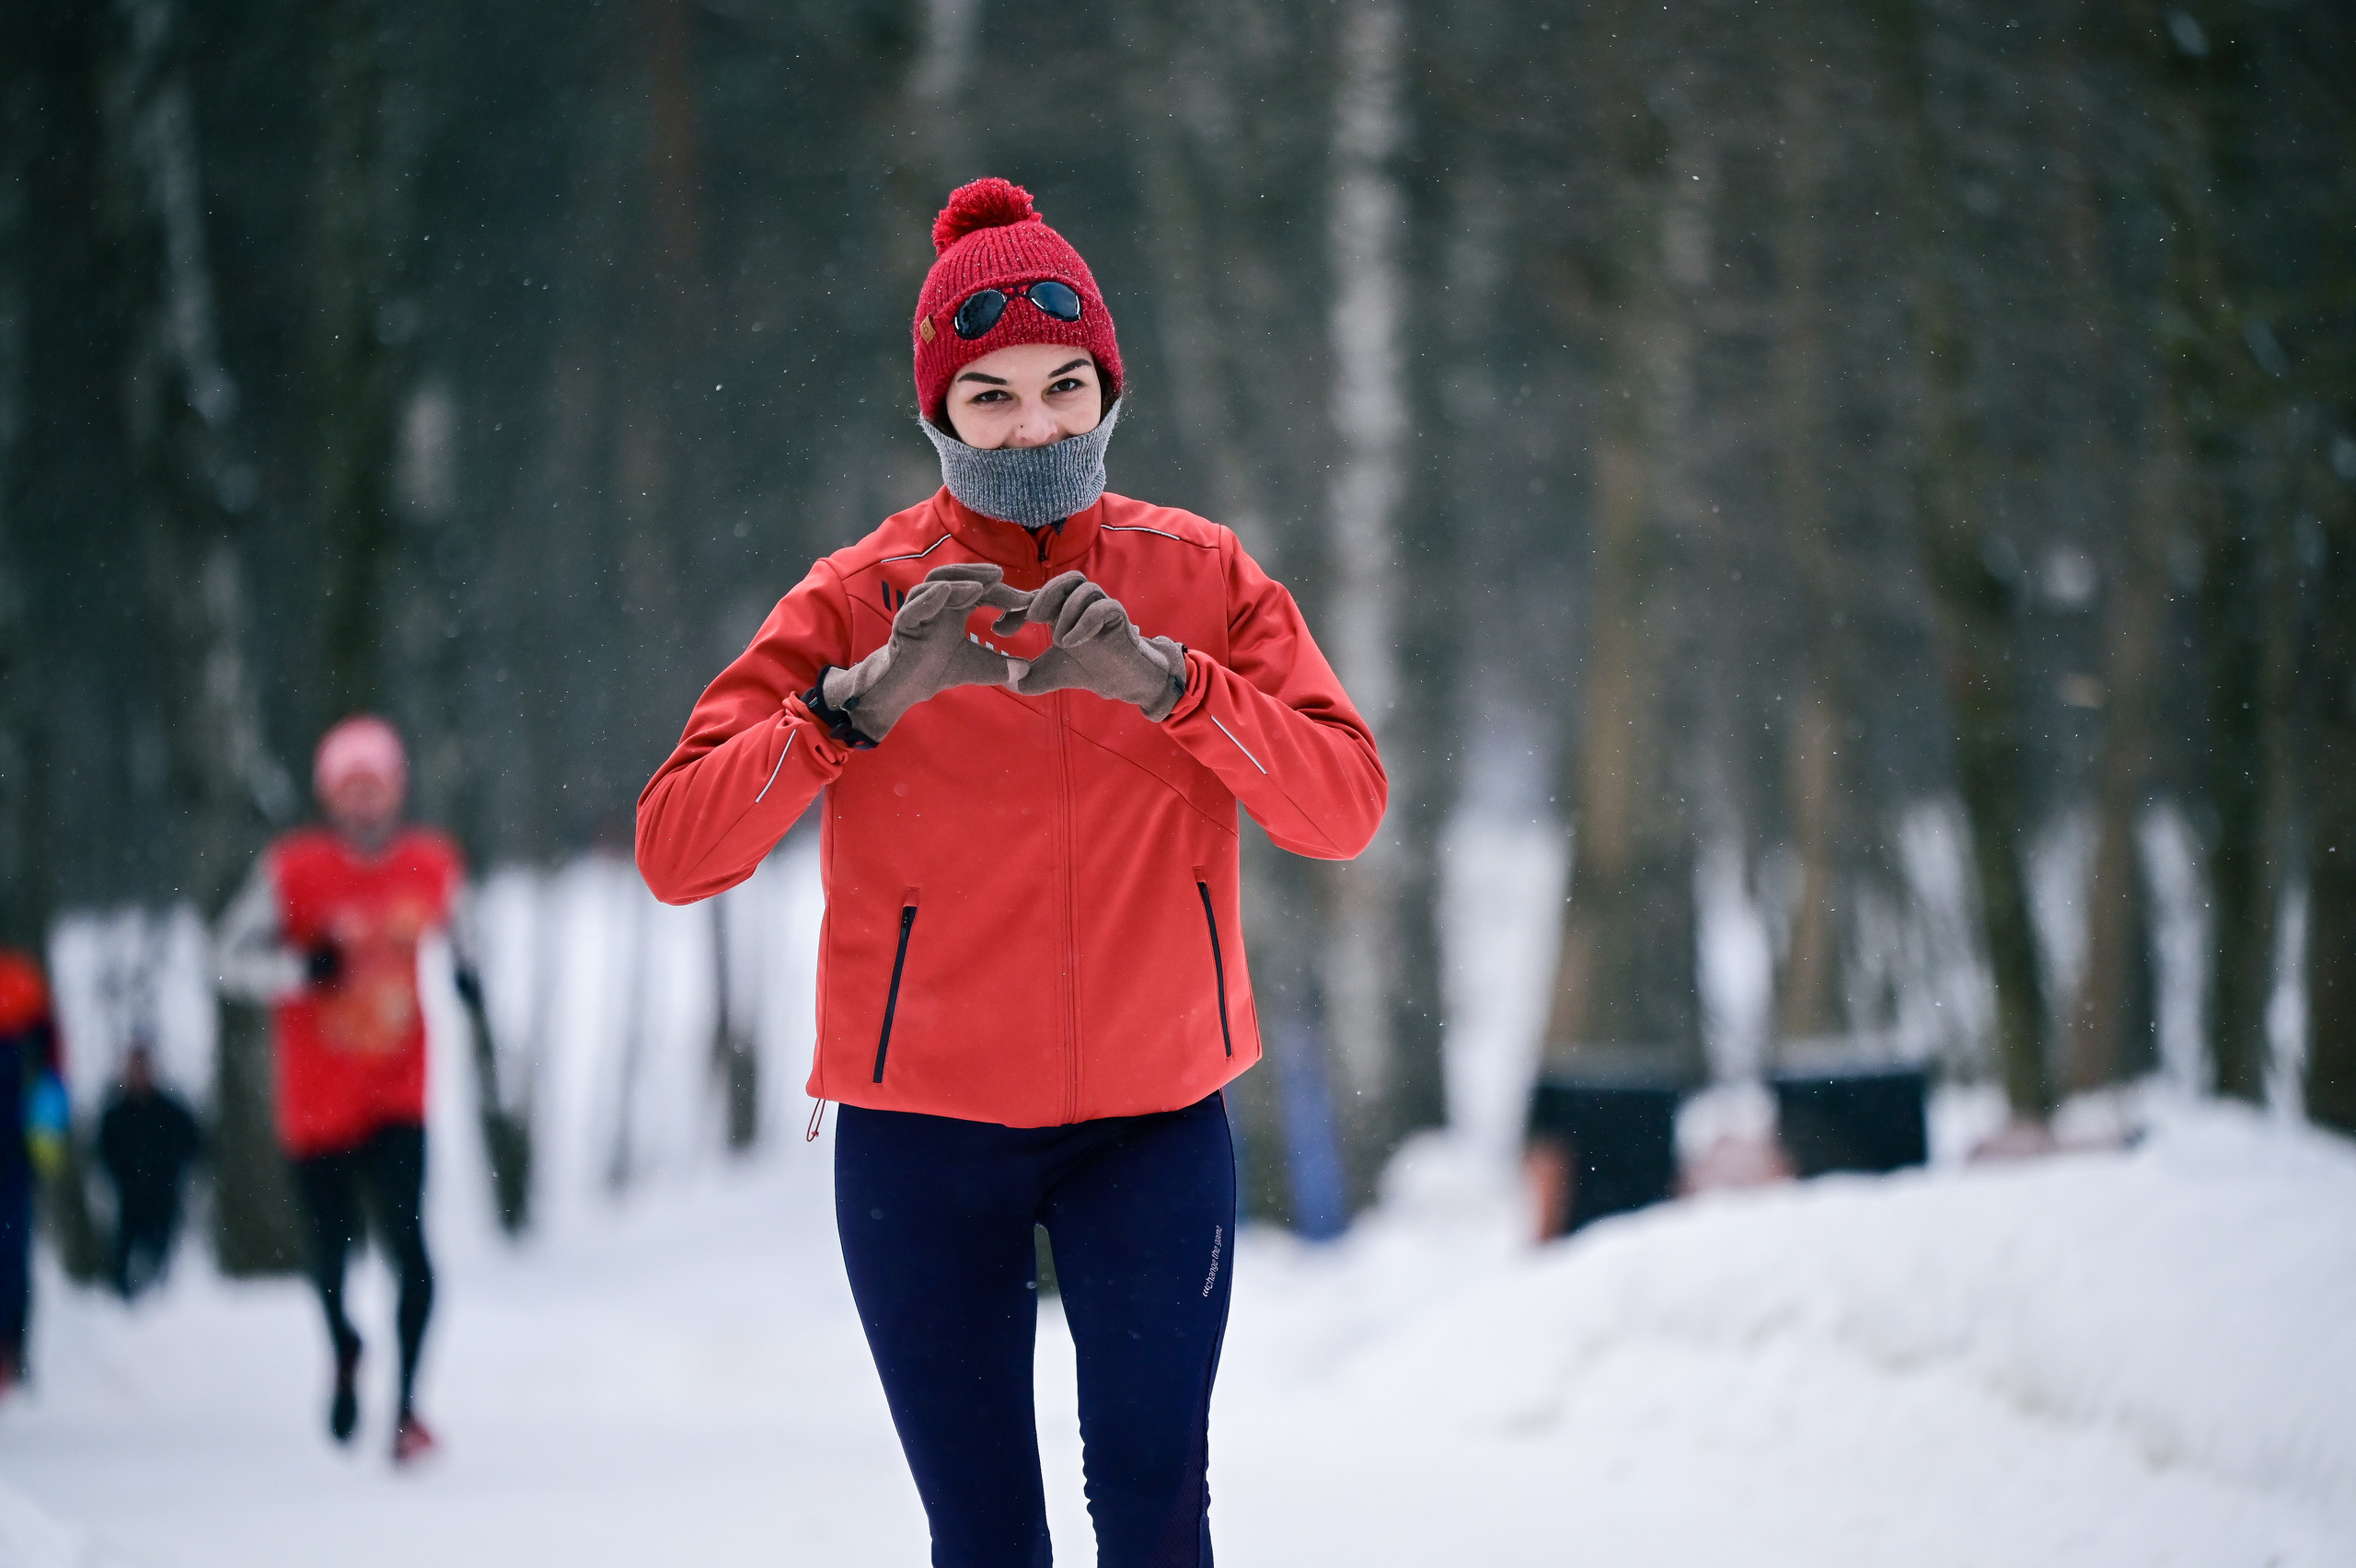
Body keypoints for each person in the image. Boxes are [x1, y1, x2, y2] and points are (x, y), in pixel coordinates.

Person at [638, 178, 1385, 1566]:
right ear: (937, 412)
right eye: (990, 397)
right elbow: (678, 849)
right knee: (987, 1538)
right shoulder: (856, 598)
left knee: (1156, 1517)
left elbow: (1344, 808)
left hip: (1150, 1127)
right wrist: (852, 709)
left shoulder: (1200, 576)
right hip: (921, 1141)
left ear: (1109, 388)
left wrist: (1173, 686)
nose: (1034, 426)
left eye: (1062, 386)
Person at [217, 715, 477, 1465]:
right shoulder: (292, 872)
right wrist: (300, 971)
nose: (365, 804)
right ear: (332, 797)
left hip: (398, 1091)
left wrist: (467, 973)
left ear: (396, 793)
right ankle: (344, 1350)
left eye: (378, 789)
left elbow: (464, 930)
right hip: (317, 1098)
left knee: (412, 1251)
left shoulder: (430, 864)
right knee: (330, 1254)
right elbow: (225, 959)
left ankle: (406, 1409)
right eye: (351, 790)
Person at [0, 946, 67, 1395]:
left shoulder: (23, 985)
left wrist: (47, 1132)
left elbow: (52, 1068)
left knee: (11, 1250)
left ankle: (11, 1350)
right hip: (18, 1144)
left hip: (14, 1146)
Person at [96, 1041, 203, 1300]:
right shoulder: (116, 1113)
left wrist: (173, 1171)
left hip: (163, 1199)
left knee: (161, 1258)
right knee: (124, 1259)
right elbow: (102, 1152)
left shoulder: (171, 1111)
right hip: (128, 1200)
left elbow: (194, 1145)